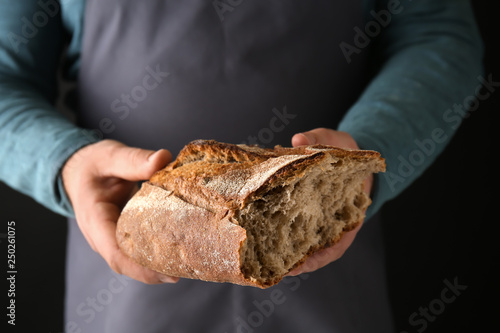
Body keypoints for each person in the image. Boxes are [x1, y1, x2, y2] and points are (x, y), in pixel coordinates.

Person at [0, 0, 483, 332]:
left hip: (324, 261)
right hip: (122, 277)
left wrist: (360, 157)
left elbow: (438, 35)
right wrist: (63, 162)